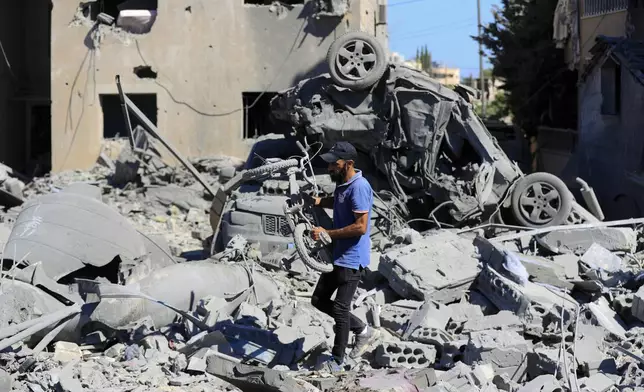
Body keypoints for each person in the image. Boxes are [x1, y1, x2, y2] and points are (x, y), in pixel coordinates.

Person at [308, 141, 381, 370]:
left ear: (348, 164)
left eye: (334, 164)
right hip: (338, 255)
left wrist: (327, 233)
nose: (330, 168)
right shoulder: (343, 183)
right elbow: (339, 202)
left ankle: (337, 361)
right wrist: (320, 202)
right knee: (319, 299)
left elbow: (360, 227)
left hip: (352, 258)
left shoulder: (359, 187)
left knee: (340, 309)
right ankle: (362, 329)